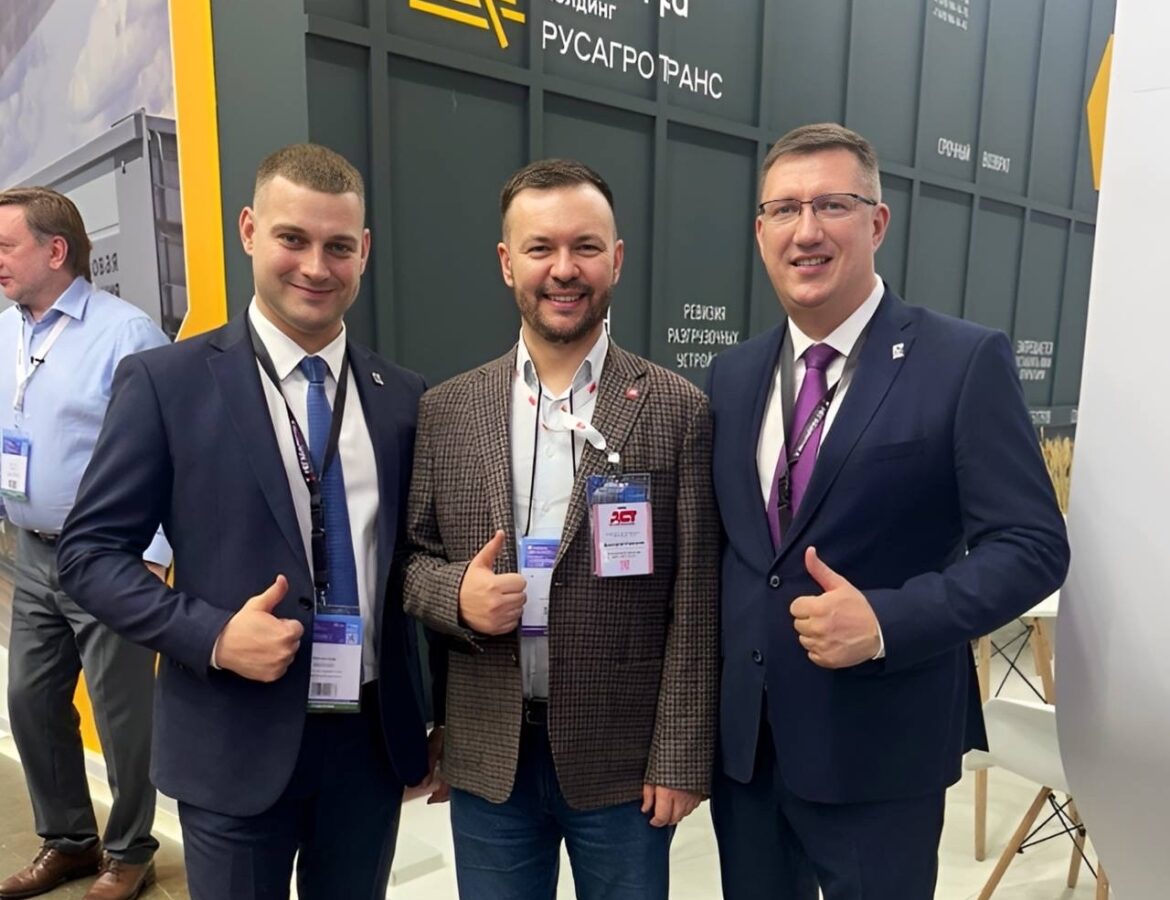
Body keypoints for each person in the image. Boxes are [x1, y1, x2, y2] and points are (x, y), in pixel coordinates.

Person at [58, 144, 438, 900]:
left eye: (339, 246)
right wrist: (212, 635)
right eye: (293, 239)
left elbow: (418, 561)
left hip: (367, 744)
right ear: (249, 231)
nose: (316, 267)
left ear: (364, 251)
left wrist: (442, 719)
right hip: (231, 741)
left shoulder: (403, 397)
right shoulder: (165, 382)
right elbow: (89, 556)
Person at [707, 123, 1070, 900]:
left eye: (832, 205)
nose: (806, 230)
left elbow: (1033, 545)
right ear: (761, 232)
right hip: (750, 751)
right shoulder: (732, 375)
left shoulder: (962, 361)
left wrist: (883, 621)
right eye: (784, 209)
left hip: (881, 752)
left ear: (877, 222)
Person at [402, 158, 718, 899]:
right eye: (541, 248)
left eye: (585, 247)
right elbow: (412, 560)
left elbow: (696, 600)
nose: (564, 269)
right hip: (490, 756)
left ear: (617, 259)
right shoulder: (447, 410)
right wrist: (457, 595)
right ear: (507, 262)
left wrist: (679, 755)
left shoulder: (676, 409)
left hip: (624, 764)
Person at [0, 187, 169, 900]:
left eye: (6, 246)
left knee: (122, 713)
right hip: (32, 552)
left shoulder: (126, 335)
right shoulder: (6, 331)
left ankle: (130, 851)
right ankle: (69, 841)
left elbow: (169, 450)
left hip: (109, 555)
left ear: (55, 250)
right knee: (29, 698)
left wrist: (154, 553)